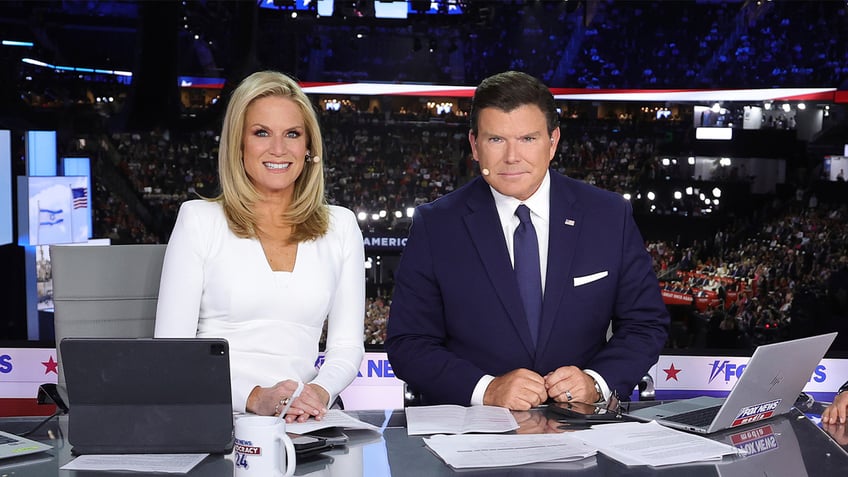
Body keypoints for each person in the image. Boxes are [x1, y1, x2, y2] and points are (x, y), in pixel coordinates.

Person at [385, 71, 669, 410]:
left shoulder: (608, 215)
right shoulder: (436, 224)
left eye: (528, 139)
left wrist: (596, 382)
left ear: (553, 142)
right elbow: (409, 343)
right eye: (496, 140)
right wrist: (486, 390)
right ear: (475, 145)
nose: (512, 157)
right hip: (470, 435)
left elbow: (645, 323)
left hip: (580, 427)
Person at [154, 70, 365, 422]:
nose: (278, 149)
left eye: (292, 134)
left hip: (301, 417)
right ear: (239, 144)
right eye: (261, 133)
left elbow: (345, 347)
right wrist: (254, 398)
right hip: (214, 412)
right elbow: (172, 354)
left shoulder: (340, 227)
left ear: (309, 147)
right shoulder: (198, 220)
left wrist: (317, 392)